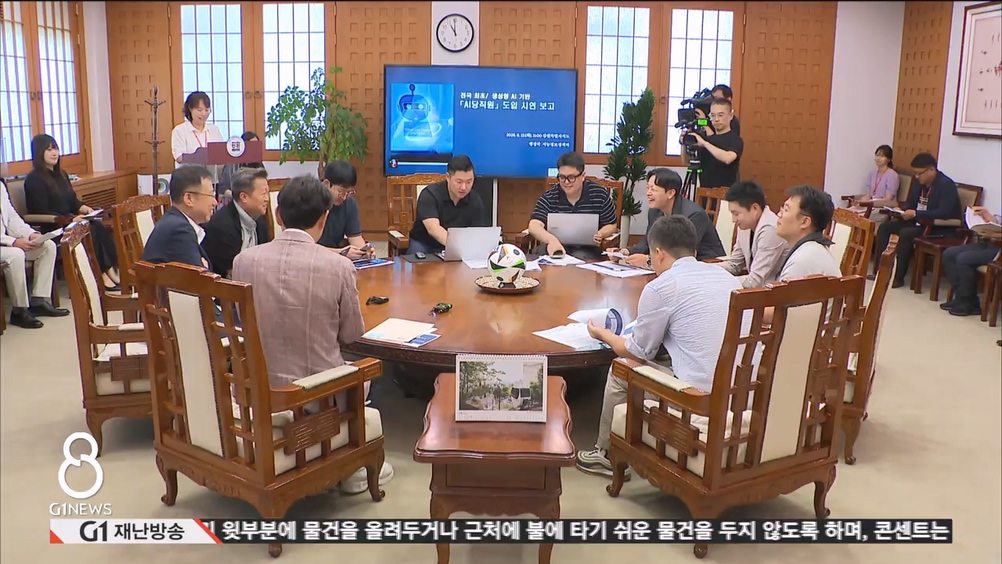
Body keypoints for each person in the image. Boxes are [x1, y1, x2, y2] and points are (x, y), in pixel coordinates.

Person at [231, 175, 394, 495]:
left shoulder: (243, 262)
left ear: (277, 215)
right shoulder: (338, 267)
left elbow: (241, 321)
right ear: (324, 218)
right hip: (318, 397)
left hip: (258, 391)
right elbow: (352, 335)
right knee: (362, 373)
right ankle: (346, 460)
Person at [575, 215, 747, 478]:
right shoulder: (728, 278)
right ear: (694, 251)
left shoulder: (661, 287)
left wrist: (603, 334)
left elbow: (636, 352)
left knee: (621, 369)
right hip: (741, 393)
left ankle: (605, 455)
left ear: (658, 253)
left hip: (699, 399)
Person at [23, 134, 120, 290]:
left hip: (71, 221)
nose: (54, 153)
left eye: (55, 148)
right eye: (48, 150)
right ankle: (102, 275)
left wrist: (84, 208)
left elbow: (72, 201)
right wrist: (70, 220)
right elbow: (40, 211)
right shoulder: (34, 179)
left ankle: (112, 270)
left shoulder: (62, 174)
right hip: (54, 227)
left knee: (97, 225)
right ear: (39, 153)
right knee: (89, 229)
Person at [874, 152, 961, 288]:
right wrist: (901, 209)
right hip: (918, 221)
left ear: (931, 170)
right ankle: (883, 271)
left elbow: (945, 212)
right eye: (914, 173)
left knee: (906, 233)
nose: (916, 176)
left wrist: (916, 213)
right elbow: (912, 203)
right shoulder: (919, 182)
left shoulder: (946, 185)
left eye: (919, 173)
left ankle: (897, 277)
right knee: (885, 228)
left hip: (938, 228)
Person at [606, 168, 724, 265]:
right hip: (670, 266)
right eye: (647, 188)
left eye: (653, 189)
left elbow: (683, 253)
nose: (648, 193)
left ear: (671, 193)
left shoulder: (694, 215)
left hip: (704, 265)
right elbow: (648, 243)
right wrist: (625, 251)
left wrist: (648, 261)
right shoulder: (654, 212)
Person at [1, 179, 69, 328]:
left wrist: (30, 234)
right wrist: (13, 242)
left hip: (6, 243)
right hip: (6, 244)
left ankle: (38, 301)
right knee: (16, 255)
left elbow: (12, 218)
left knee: (47, 246)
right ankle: (19, 311)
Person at [528, 151, 618, 259]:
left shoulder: (599, 194)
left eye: (571, 177)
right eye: (562, 177)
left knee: (580, 257)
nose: (566, 182)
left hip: (587, 249)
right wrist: (551, 240)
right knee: (540, 255)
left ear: (583, 176)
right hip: (556, 246)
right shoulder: (550, 196)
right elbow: (534, 225)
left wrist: (601, 234)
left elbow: (611, 225)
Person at [408, 154, 488, 255]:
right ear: (448, 177)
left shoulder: (475, 199)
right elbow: (433, 229)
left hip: (459, 246)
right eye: (459, 182)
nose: (464, 187)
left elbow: (477, 232)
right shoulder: (430, 194)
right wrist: (458, 247)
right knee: (417, 258)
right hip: (425, 244)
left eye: (469, 182)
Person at [200, 168, 272, 278]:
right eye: (263, 194)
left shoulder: (259, 220)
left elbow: (266, 259)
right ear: (244, 197)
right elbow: (235, 273)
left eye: (268, 193)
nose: (267, 199)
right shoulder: (221, 225)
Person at [716, 180, 789, 288]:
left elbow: (755, 280)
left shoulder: (770, 229)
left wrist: (716, 283)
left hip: (773, 292)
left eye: (736, 214)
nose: (733, 220)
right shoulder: (745, 226)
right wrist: (705, 271)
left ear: (755, 209)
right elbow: (734, 264)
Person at [141, 165, 217, 269]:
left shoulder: (176, 221)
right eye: (211, 195)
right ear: (188, 199)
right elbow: (200, 277)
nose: (215, 202)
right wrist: (204, 267)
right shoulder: (179, 230)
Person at [940, 206, 1001, 317]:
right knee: (949, 254)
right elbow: (997, 224)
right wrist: (985, 214)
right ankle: (962, 298)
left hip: (999, 248)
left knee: (964, 258)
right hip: (990, 243)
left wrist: (994, 235)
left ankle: (967, 303)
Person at [774, 185, 842, 282]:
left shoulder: (801, 260)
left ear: (805, 222)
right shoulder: (811, 249)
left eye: (786, 210)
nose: (779, 214)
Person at [317, 160, 375, 260]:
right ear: (326, 184)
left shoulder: (349, 203)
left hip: (335, 260)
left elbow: (355, 238)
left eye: (349, 192)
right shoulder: (310, 201)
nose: (344, 197)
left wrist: (364, 251)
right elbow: (305, 247)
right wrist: (340, 252)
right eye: (341, 192)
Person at [682, 98, 744, 189]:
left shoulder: (735, 140)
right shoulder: (707, 139)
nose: (716, 119)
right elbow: (686, 160)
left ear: (730, 116)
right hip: (705, 191)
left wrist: (704, 143)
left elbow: (727, 159)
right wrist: (684, 143)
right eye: (713, 115)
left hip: (726, 193)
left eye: (720, 115)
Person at [848, 145, 900, 225]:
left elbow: (888, 199)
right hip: (869, 206)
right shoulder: (872, 174)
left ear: (888, 159)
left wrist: (870, 202)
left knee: (856, 218)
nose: (878, 158)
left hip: (881, 208)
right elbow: (867, 196)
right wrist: (859, 202)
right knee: (847, 213)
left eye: (882, 156)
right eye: (877, 155)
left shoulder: (892, 175)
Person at [171, 91, 224, 167]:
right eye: (199, 110)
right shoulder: (180, 130)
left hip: (212, 172)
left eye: (207, 110)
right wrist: (201, 156)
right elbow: (179, 158)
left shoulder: (214, 129)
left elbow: (221, 153)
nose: (204, 114)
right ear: (190, 109)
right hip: (189, 172)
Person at [217, 131, 266, 199]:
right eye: (251, 145)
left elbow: (263, 184)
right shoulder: (232, 164)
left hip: (255, 199)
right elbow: (223, 188)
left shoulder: (259, 164)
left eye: (256, 145)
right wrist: (237, 197)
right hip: (236, 198)